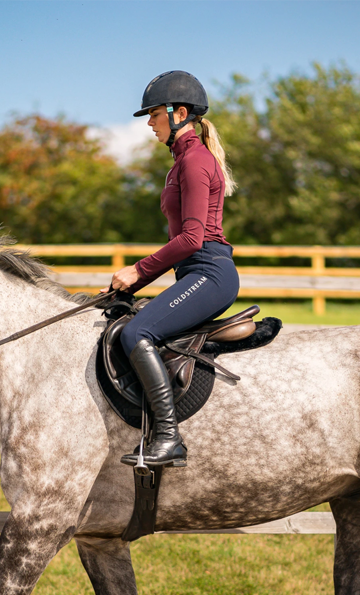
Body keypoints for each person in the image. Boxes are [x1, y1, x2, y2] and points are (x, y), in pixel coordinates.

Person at [108, 71, 240, 468]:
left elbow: (192, 239)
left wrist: (137, 271)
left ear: (179, 113)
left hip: (210, 273)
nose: (149, 122)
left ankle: (168, 438)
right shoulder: (181, 162)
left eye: (153, 114)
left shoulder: (195, 161)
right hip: (193, 272)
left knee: (137, 332)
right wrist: (131, 284)